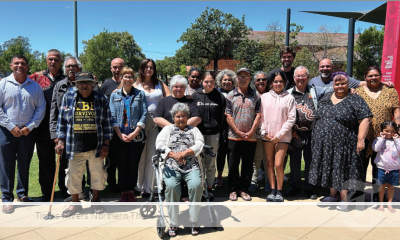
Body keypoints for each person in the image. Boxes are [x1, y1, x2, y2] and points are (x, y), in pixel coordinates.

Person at [308, 72, 372, 211]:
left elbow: (366, 119)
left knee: (343, 169)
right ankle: (333, 195)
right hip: (326, 143)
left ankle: (344, 199)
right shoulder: (326, 97)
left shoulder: (355, 99)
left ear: (348, 84)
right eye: (337, 84)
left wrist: (361, 140)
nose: (340, 86)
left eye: (343, 83)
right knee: (331, 168)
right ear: (333, 85)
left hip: (346, 143)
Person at [55, 71, 113, 217]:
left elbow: (107, 123)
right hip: (74, 147)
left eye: (88, 82)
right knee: (74, 176)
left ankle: (95, 200)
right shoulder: (68, 97)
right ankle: (76, 204)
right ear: (76, 84)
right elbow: (62, 121)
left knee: (97, 175)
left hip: (97, 146)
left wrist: (106, 144)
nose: (84, 85)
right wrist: (60, 141)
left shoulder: (101, 98)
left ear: (93, 84)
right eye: (81, 82)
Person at [0, 55, 46, 213]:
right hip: (6, 131)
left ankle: (22, 194)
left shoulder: (35, 87)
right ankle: (7, 197)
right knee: (6, 164)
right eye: (17, 63)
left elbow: (41, 108)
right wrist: (10, 126)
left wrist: (30, 126)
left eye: (23, 63)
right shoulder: (3, 84)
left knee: (24, 163)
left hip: (28, 132)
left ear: (27, 67)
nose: (20, 65)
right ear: (11, 65)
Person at [156, 103, 205, 237]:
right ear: (173, 117)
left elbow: (200, 144)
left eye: (183, 116)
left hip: (191, 166)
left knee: (196, 185)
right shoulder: (167, 129)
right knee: (171, 186)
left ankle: (193, 220)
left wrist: (185, 153)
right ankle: (173, 222)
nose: (181, 119)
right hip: (172, 165)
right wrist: (175, 155)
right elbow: (160, 144)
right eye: (178, 116)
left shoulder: (194, 130)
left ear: (187, 117)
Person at [355, 66, 400, 202]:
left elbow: (396, 110)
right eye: (370, 75)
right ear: (365, 77)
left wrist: (398, 128)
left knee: (379, 166)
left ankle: (377, 194)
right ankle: (358, 193)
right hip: (362, 136)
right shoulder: (357, 92)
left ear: (381, 76)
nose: (373, 78)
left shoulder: (390, 91)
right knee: (359, 165)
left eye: (376, 75)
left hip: (384, 137)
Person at [154, 75, 201, 202]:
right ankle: (168, 196)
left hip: (187, 144)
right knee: (170, 171)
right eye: (175, 86)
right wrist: (175, 127)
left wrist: (182, 127)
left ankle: (185, 195)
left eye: (181, 87)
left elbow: (196, 118)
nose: (178, 89)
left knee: (188, 168)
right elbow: (157, 118)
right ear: (171, 87)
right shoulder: (164, 101)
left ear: (185, 88)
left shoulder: (190, 100)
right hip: (168, 142)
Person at [50, 56, 90, 201]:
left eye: (74, 66)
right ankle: (66, 193)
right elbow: (54, 111)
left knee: (84, 163)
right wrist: (56, 135)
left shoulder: (88, 82)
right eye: (68, 67)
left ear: (80, 68)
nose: (71, 69)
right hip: (65, 133)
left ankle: (82, 192)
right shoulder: (60, 85)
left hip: (85, 132)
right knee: (65, 165)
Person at [29, 49, 66, 202]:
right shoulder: (36, 78)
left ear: (60, 61)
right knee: (45, 161)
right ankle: (47, 192)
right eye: (50, 59)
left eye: (56, 59)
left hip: (63, 128)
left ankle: (66, 191)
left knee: (64, 161)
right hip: (43, 128)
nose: (53, 62)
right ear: (46, 60)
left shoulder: (66, 79)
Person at [285, 66, 325, 200]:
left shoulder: (315, 91)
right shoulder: (288, 93)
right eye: (298, 76)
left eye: (303, 76)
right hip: (295, 133)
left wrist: (353, 88)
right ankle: (295, 186)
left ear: (307, 77)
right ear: (294, 78)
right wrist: (291, 129)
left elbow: (333, 89)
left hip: (312, 132)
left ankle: (310, 188)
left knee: (311, 161)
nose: (300, 78)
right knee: (295, 162)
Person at [110, 67, 148, 202]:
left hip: (136, 136)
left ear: (134, 79)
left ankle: (131, 191)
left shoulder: (140, 94)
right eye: (125, 76)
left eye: (130, 77)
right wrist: (120, 134)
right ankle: (123, 192)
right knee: (121, 165)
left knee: (133, 164)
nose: (128, 79)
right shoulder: (114, 95)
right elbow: (112, 116)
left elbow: (144, 113)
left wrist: (136, 131)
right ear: (121, 78)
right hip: (119, 136)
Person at [134, 59, 171, 197]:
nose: (148, 70)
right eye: (146, 67)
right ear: (141, 69)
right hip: (140, 122)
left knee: (152, 155)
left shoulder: (160, 84)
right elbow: (123, 92)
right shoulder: (136, 84)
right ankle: (139, 186)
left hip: (156, 121)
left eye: (151, 67)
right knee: (140, 156)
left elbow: (170, 98)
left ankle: (150, 187)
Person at [260, 70, 296, 202]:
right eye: (275, 81)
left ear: (285, 83)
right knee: (269, 163)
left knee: (278, 164)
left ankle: (279, 191)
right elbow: (261, 118)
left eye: (281, 81)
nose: (278, 83)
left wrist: (279, 135)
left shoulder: (289, 98)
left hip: (283, 137)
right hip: (267, 136)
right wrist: (264, 132)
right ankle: (272, 190)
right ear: (271, 83)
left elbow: (291, 119)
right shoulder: (264, 97)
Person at [226, 68, 261, 201]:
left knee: (247, 165)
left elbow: (258, 115)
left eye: (246, 76)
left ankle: (244, 189)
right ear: (237, 78)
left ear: (250, 77)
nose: (243, 78)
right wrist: (238, 132)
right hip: (234, 136)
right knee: (233, 164)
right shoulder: (230, 95)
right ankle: (233, 189)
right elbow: (228, 116)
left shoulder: (256, 95)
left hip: (250, 137)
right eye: (240, 76)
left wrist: (251, 131)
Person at [192, 72, 226, 200]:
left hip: (214, 134)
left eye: (211, 81)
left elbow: (223, 118)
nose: (209, 84)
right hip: (198, 135)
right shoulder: (195, 96)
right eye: (206, 81)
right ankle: (199, 188)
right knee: (198, 163)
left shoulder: (220, 97)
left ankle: (210, 188)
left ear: (215, 82)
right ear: (202, 82)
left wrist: (223, 135)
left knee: (210, 163)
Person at [100, 58, 125, 193]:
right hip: (109, 128)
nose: (117, 70)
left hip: (125, 127)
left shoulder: (128, 83)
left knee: (123, 158)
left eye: (120, 67)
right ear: (111, 68)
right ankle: (111, 184)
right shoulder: (105, 85)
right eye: (115, 67)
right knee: (111, 159)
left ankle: (123, 183)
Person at [308, 59, 394, 93]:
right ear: (319, 68)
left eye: (328, 66)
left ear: (332, 67)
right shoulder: (313, 81)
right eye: (322, 66)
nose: (325, 68)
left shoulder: (341, 79)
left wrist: (384, 83)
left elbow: (363, 83)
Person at [215, 69, 237, 187]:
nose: (227, 82)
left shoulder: (236, 92)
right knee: (221, 152)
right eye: (224, 80)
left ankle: (232, 176)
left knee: (232, 153)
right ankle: (219, 176)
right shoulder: (217, 93)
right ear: (220, 81)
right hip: (221, 127)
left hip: (234, 126)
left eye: (229, 80)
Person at [249, 71, 270, 192]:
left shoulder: (272, 94)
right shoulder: (251, 95)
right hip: (255, 131)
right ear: (254, 82)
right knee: (256, 158)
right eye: (258, 80)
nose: (261, 82)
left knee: (267, 158)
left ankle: (268, 180)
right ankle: (253, 181)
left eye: (263, 79)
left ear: (267, 81)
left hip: (269, 131)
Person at [372, 121, 400, 213]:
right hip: (381, 168)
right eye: (386, 131)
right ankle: (381, 204)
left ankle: (389, 203)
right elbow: (376, 149)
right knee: (382, 186)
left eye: (392, 131)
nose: (389, 133)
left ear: (395, 131)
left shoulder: (397, 141)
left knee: (391, 186)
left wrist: (397, 140)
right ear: (382, 130)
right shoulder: (379, 139)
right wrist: (381, 138)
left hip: (394, 168)